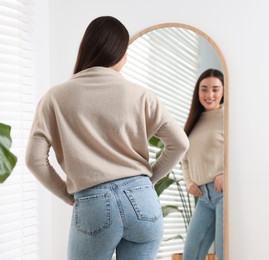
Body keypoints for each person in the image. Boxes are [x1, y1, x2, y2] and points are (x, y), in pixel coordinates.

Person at [25, 16, 189, 260]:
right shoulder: (141, 95)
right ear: (120, 53)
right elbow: (180, 143)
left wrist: (64, 193)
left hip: (94, 202)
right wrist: (148, 179)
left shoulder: (55, 98)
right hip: (143, 200)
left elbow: (34, 160)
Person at [182, 68, 224, 260]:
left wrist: (226, 174)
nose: (209, 95)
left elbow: (240, 154)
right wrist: (189, 181)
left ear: (224, 91)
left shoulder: (228, 117)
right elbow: (185, 157)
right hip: (203, 198)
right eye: (204, 89)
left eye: (215, 89)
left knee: (224, 254)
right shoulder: (194, 121)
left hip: (223, 194)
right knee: (191, 254)